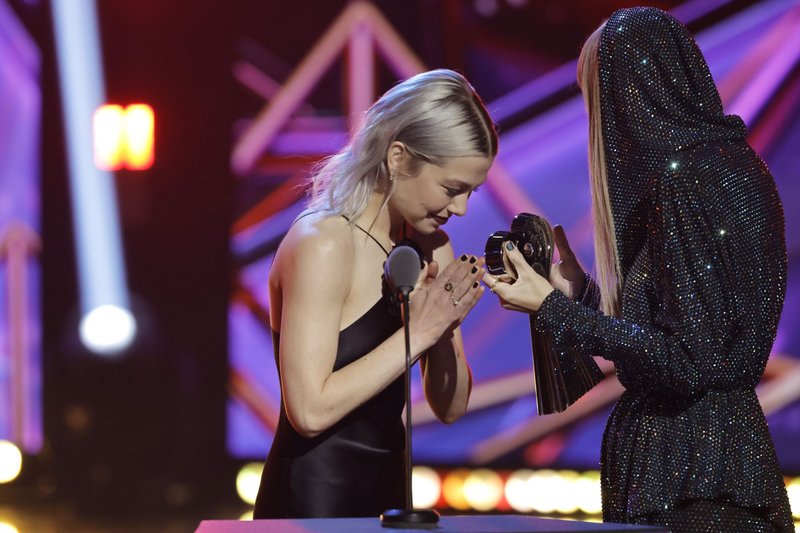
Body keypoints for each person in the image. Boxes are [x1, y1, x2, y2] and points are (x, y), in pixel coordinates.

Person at [483, 7, 793, 532]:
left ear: (630, 94)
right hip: (719, 467)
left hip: (689, 477)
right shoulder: (735, 167)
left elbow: (686, 363)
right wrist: (582, 297)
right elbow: (693, 335)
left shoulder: (683, 182)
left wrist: (553, 309)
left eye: (598, 97)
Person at [253, 69, 497, 519]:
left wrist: (442, 330)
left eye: (471, 192)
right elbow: (308, 411)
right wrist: (420, 332)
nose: (461, 209)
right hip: (313, 502)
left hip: (391, 496)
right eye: (452, 189)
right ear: (398, 158)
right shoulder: (323, 244)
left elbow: (450, 408)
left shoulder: (430, 245)